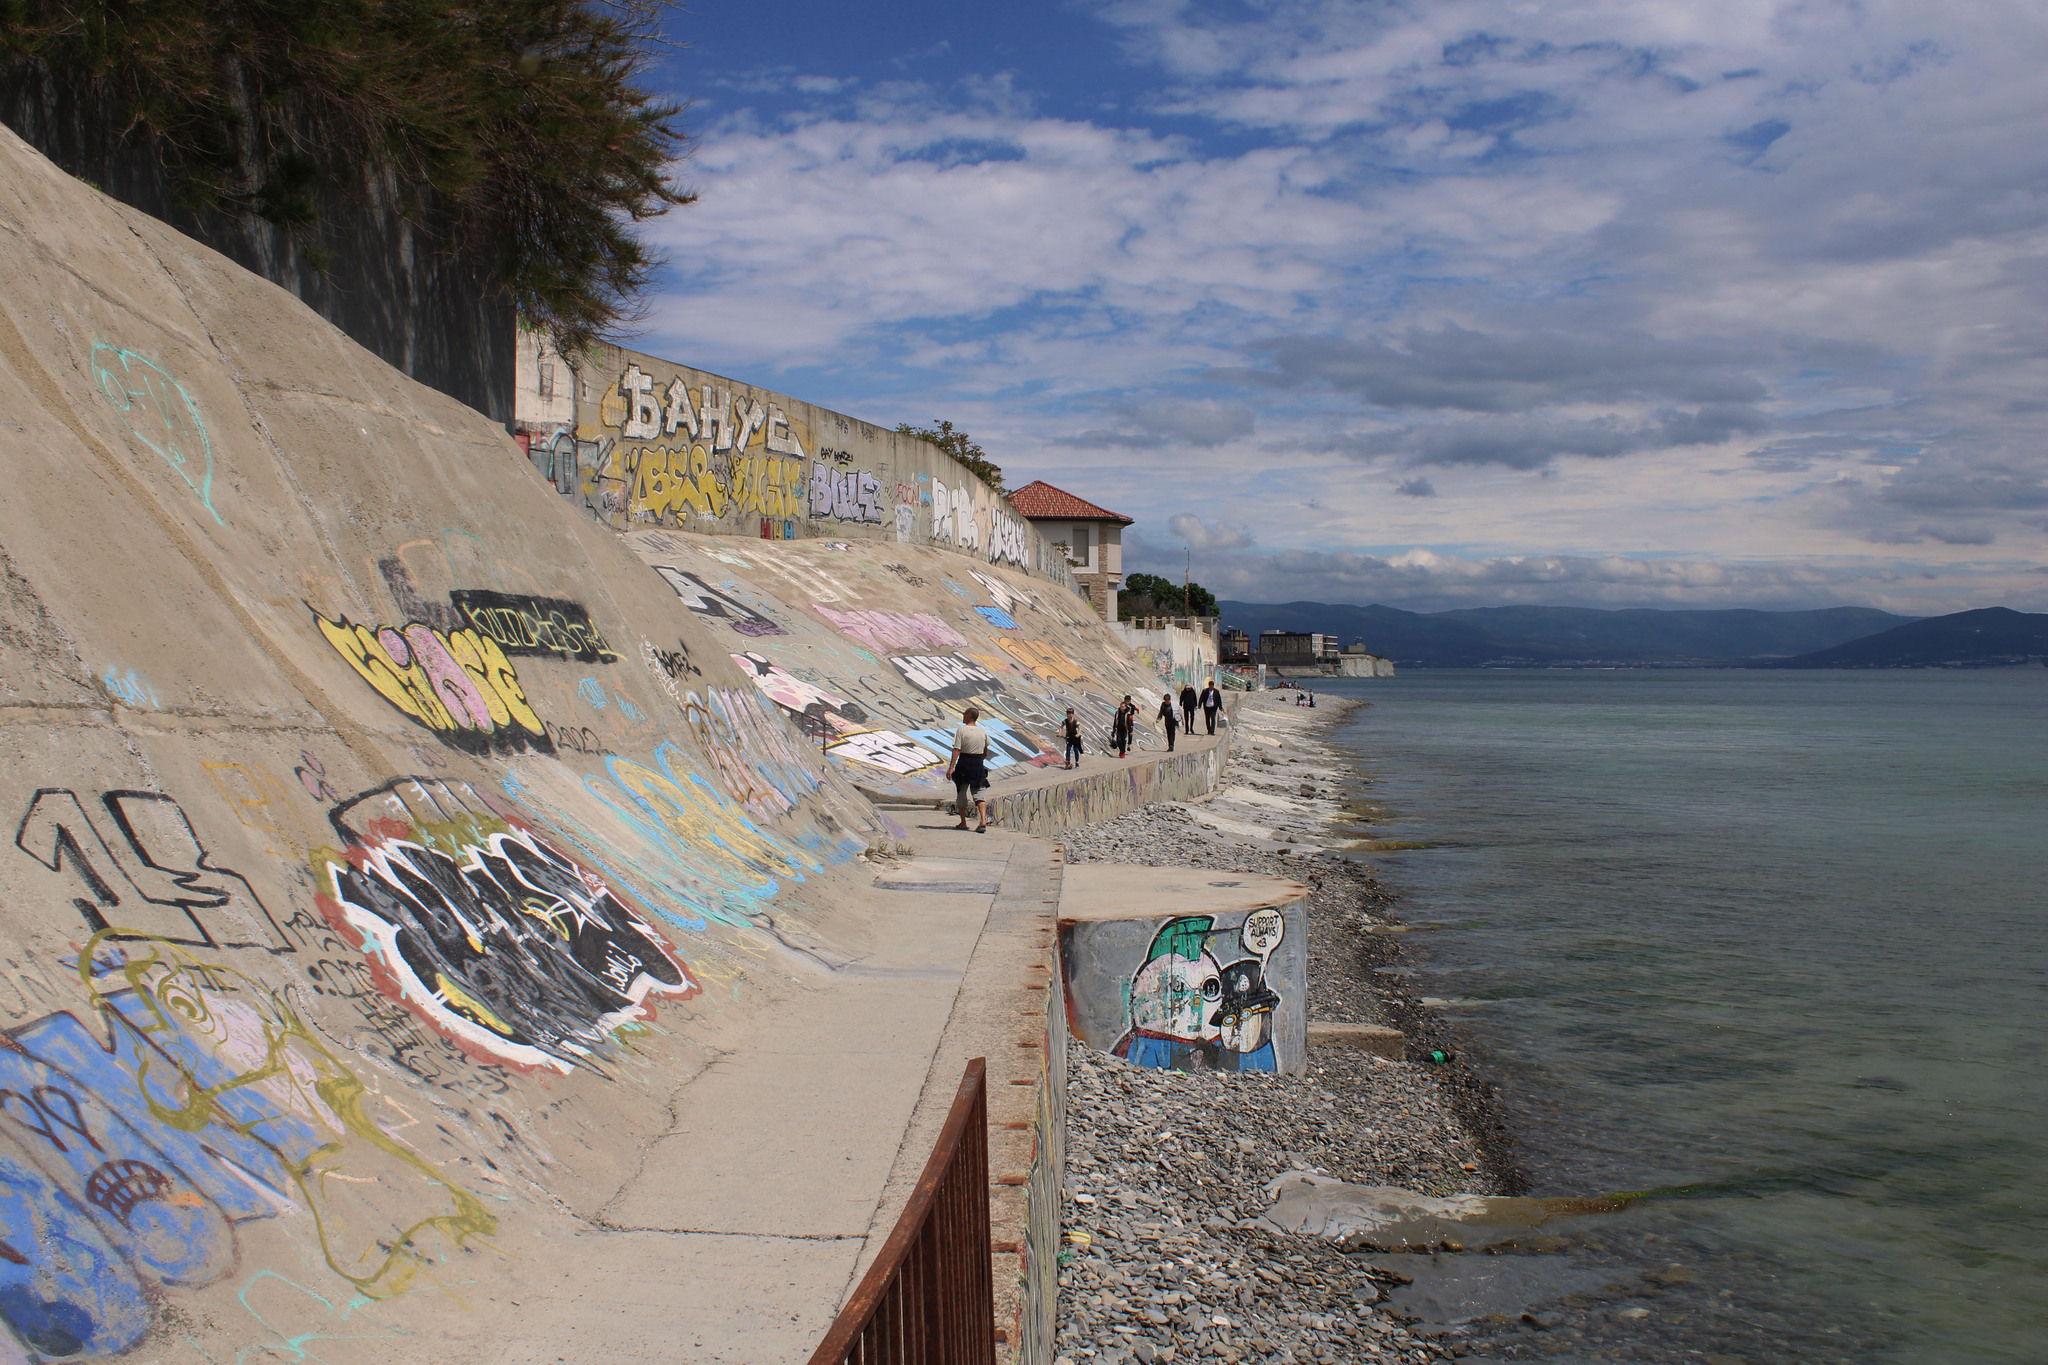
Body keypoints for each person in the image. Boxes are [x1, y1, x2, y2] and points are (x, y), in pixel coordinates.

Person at [946, 707, 996, 833]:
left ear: (968, 716)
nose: (963, 716)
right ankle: (983, 821)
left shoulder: (961, 730)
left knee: (961, 792)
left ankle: (963, 822)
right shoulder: (982, 731)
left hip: (964, 762)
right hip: (977, 763)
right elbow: (985, 751)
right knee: (979, 793)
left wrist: (951, 767)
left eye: (964, 714)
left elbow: (957, 749)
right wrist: (980, 760)